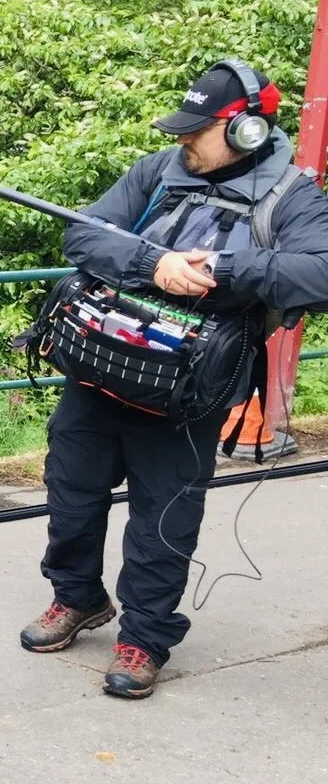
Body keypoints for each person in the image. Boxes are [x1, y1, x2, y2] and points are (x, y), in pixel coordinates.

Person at [22, 60, 328, 697]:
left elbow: (320, 272)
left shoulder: (293, 197)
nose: (184, 139)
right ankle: (77, 597)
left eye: (198, 129)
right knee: (70, 492)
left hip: (188, 394)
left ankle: (145, 638)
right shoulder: (159, 171)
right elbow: (83, 236)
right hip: (101, 369)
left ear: (245, 130)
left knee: (163, 519)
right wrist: (151, 265)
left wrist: (222, 270)